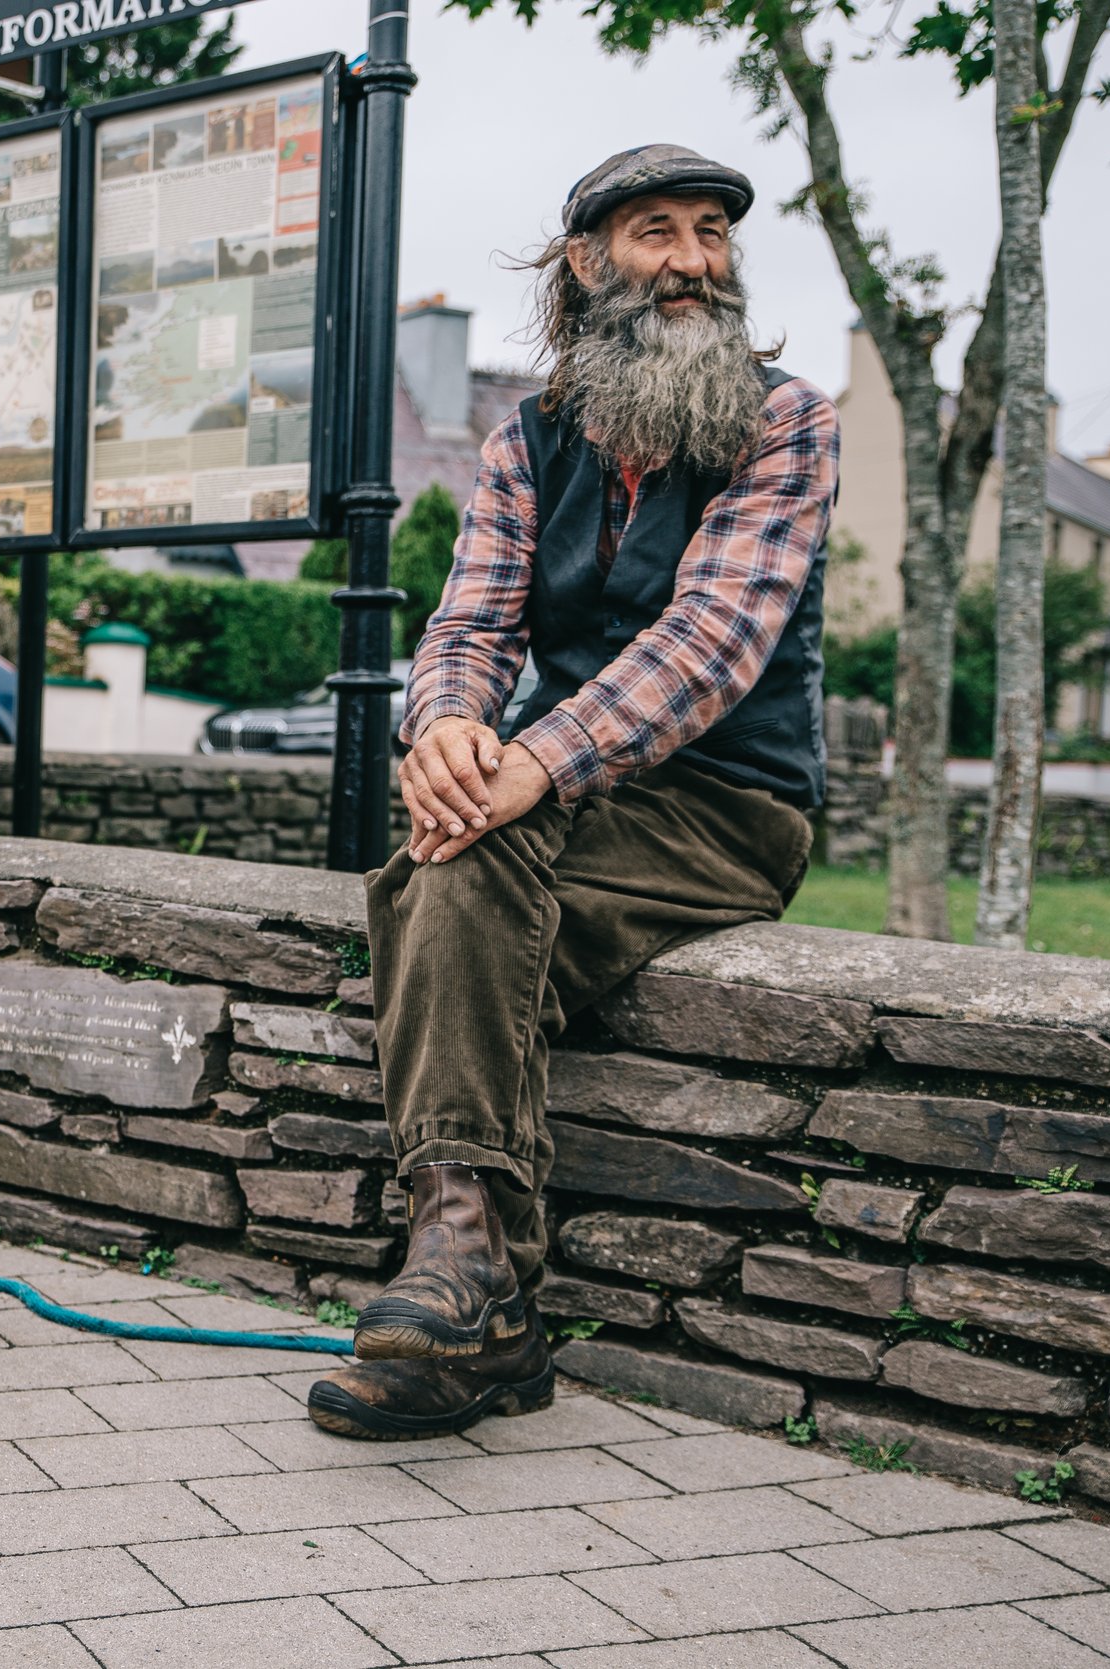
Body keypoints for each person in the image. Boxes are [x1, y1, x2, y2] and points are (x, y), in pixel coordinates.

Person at [306, 144, 841, 1438]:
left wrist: (527, 763)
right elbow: (473, 627)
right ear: (589, 263)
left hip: (727, 806)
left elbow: (709, 644)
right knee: (454, 858)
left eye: (711, 231)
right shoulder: (528, 440)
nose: (695, 259)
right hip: (559, 796)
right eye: (657, 231)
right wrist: (446, 734)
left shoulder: (787, 420)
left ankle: (465, 1268)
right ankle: (473, 1290)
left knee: (441, 877)